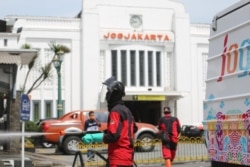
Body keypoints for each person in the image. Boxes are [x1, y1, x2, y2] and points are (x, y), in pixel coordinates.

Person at [102, 77, 138, 167]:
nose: (107, 94)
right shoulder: (126, 110)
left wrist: (101, 137)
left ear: (114, 94)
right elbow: (134, 128)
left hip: (118, 157)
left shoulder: (115, 111)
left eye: (108, 92)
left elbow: (113, 136)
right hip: (128, 156)